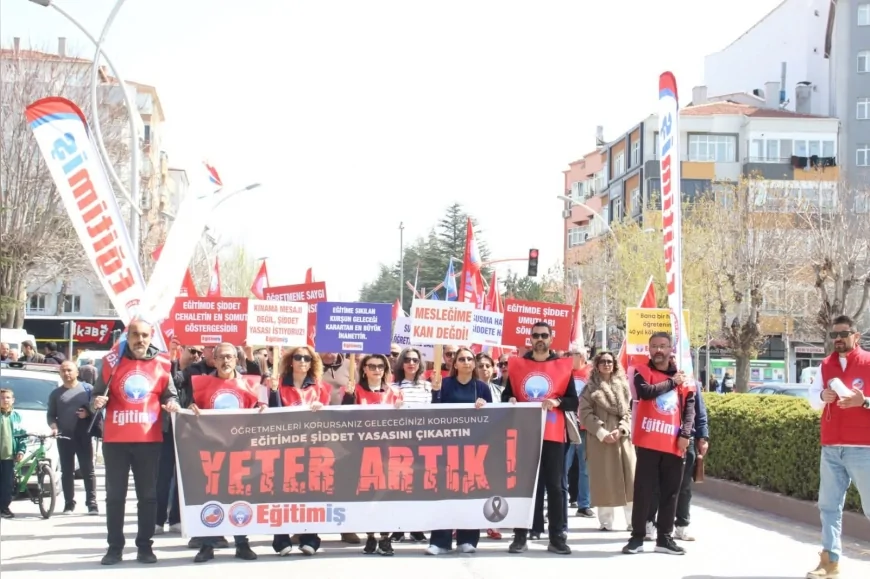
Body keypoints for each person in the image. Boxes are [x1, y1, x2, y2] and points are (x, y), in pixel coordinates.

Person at [91, 319, 180, 565]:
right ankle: (114, 548)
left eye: (144, 335)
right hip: (116, 440)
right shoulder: (111, 362)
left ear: (151, 337)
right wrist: (97, 401)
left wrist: (173, 404)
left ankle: (145, 547)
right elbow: (97, 393)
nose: (140, 340)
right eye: (135, 335)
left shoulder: (163, 363)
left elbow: (171, 394)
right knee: (115, 496)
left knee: (148, 496)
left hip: (148, 439)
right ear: (127, 337)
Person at [503, 322, 577, 556]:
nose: (539, 339)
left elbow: (573, 401)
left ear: (551, 338)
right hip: (524, 433)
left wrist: (557, 402)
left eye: (544, 335)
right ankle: (520, 536)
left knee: (556, 487)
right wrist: (511, 401)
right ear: (530, 339)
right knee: (523, 487)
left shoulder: (563, 365)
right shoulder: (517, 365)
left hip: (554, 434)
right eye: (535, 335)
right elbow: (507, 395)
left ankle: (557, 537)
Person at [806, 315, 870, 578]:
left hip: (863, 448)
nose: (838, 339)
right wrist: (822, 395)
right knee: (829, 506)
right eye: (834, 335)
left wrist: (864, 401)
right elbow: (812, 399)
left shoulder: (868, 362)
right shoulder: (825, 365)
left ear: (856, 336)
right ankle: (829, 561)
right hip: (831, 447)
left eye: (843, 334)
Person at [189, 343, 264, 564]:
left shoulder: (250, 384)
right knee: (211, 497)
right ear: (213, 360)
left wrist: (262, 409)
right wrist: (191, 408)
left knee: (239, 496)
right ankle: (207, 544)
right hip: (212, 451)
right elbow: (191, 409)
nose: (225, 361)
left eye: (230, 357)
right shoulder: (202, 385)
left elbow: (260, 408)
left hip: (240, 450)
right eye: (221, 357)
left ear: (236, 359)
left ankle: (242, 543)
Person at [622, 331, 695, 556]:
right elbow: (646, 393)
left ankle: (665, 538)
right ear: (649, 349)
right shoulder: (641, 371)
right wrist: (673, 382)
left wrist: (686, 434)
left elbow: (689, 406)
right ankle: (637, 537)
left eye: (663, 346)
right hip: (648, 441)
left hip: (673, 443)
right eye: (654, 346)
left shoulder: (683, 376)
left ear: (670, 348)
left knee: (671, 492)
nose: (658, 350)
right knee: (643, 490)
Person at [427, 346, 492, 555]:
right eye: (461, 359)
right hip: (447, 447)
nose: (466, 362)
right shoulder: (444, 384)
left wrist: (485, 406)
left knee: (470, 493)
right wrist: (435, 392)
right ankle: (440, 541)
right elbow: (434, 413)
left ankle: (468, 539)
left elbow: (491, 418)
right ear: (454, 364)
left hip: (473, 449)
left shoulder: (481, 388)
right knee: (444, 495)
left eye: (469, 359)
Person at [268, 345, 331, 557]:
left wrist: (321, 408)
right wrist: (274, 391)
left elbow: (329, 417)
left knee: (310, 492)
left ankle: (310, 538)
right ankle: (281, 538)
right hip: (283, 449)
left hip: (311, 449)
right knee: (282, 493)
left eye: (307, 358)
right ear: (290, 361)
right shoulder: (277, 385)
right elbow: (272, 415)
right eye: (298, 357)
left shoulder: (320, 388)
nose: (303, 361)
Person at [342, 353, 403, 555]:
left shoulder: (394, 393)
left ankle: (385, 538)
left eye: (381, 366)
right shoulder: (355, 391)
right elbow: (345, 418)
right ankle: (370, 536)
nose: (377, 369)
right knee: (367, 495)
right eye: (372, 366)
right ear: (364, 369)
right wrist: (348, 398)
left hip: (388, 452)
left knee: (385, 495)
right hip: (362, 452)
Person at [579, 351, 635, 531]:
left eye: (609, 361)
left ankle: (632, 521)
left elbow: (629, 412)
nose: (606, 364)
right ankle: (606, 521)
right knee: (603, 480)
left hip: (623, 439)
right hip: (600, 441)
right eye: (602, 361)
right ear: (596, 365)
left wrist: (622, 428)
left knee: (630, 481)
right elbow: (585, 414)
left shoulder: (624, 386)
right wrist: (602, 432)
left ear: (615, 364)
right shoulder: (590, 388)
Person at [647, 383, 708, 542]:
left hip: (686, 440)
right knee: (655, 484)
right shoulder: (658, 380)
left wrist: (703, 437)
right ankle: (650, 524)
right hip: (659, 436)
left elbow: (699, 413)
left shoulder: (692, 384)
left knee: (684, 486)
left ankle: (681, 525)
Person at [47, 361, 98, 515]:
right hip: (64, 436)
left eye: (69, 370)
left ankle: (92, 504)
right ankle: (69, 503)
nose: (66, 373)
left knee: (87, 470)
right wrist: (54, 427)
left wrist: (87, 413)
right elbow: (51, 415)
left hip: (84, 435)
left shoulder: (87, 389)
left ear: (77, 372)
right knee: (67, 471)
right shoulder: (56, 394)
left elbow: (98, 408)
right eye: (63, 371)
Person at [390, 347, 430, 544]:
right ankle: (398, 528)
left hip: (421, 443)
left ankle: (416, 528)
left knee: (418, 488)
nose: (411, 363)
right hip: (399, 443)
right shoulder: (392, 387)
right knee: (399, 487)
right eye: (407, 359)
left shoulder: (428, 387)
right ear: (401, 363)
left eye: (415, 359)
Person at [564, 348, 593, 527]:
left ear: (580, 357)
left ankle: (584, 505)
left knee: (585, 468)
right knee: (563, 467)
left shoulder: (591, 373)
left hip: (584, 426)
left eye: (570, 355)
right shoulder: (564, 372)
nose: (567, 358)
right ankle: (559, 503)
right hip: (566, 425)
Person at [0, 388, 26, 519]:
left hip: (8, 456)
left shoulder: (16, 416)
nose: (5, 400)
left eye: (7, 398)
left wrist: (21, 450)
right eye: (2, 398)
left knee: (7, 484)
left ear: (13, 400)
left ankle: (4, 507)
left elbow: (21, 435)